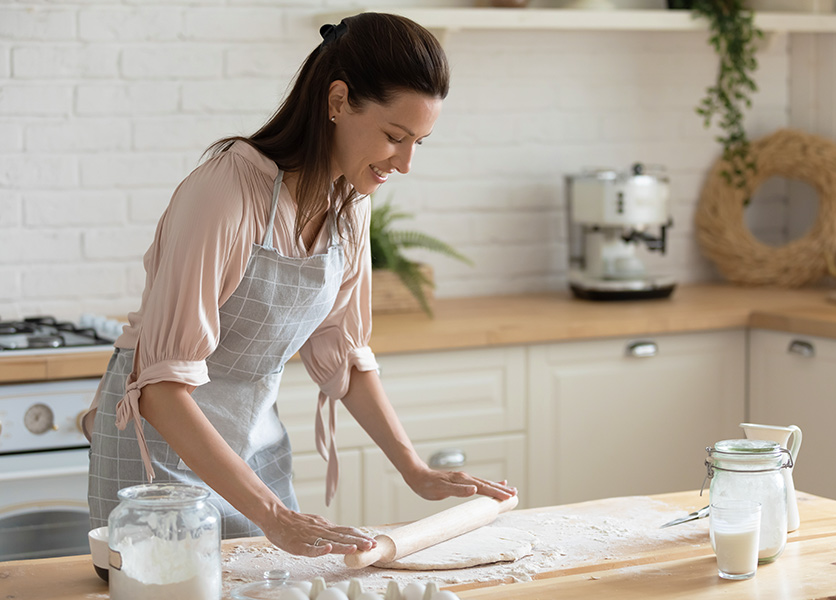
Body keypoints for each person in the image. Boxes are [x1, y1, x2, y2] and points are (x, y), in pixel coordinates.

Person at [81, 12, 516, 558]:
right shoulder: (227, 192)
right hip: (161, 456)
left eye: (418, 144)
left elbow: (344, 353)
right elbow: (161, 389)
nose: (404, 163)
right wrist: (274, 516)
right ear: (337, 101)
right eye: (393, 137)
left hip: (253, 446)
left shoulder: (349, 206)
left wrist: (415, 469)